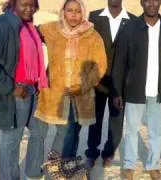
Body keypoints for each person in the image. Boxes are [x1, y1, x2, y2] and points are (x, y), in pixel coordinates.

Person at [0, 0, 49, 179]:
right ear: (12, 4)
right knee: (13, 138)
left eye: (33, 4)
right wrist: (12, 88)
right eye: (24, 4)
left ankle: (33, 172)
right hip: (16, 91)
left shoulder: (29, 27)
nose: (29, 8)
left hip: (34, 88)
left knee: (39, 131)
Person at [112, 0, 161, 179]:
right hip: (135, 89)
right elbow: (119, 61)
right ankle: (129, 164)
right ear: (142, 2)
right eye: (147, 0)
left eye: (155, 0)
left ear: (160, 2)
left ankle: (153, 164)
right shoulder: (130, 28)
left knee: (156, 130)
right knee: (132, 129)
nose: (151, 4)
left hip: (158, 90)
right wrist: (117, 91)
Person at [34, 0, 107, 160]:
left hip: (79, 94)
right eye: (69, 10)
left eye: (77, 11)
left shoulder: (92, 36)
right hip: (53, 93)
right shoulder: (51, 29)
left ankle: (65, 167)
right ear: (63, 12)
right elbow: (29, 36)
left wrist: (82, 87)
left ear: (83, 13)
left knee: (72, 133)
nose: (73, 14)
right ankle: (51, 169)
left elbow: (100, 66)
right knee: (51, 134)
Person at [85, 0, 136, 168]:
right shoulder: (94, 17)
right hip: (98, 79)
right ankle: (92, 152)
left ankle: (109, 152)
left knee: (116, 119)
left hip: (120, 82)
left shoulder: (133, 20)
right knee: (95, 118)